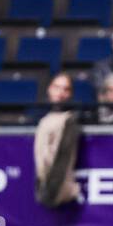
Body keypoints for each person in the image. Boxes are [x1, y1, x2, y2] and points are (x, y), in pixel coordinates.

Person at [32, 71, 81, 207]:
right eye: (57, 87)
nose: (61, 92)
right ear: (49, 88)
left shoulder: (72, 118)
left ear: (70, 94)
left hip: (56, 184)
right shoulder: (35, 114)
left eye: (66, 89)